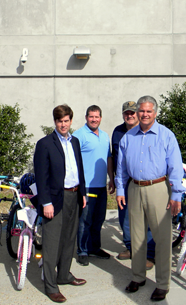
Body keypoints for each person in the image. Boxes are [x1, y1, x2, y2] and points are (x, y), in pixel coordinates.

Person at [115, 96, 185, 301]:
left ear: (155, 112)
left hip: (158, 189)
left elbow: (175, 167)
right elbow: (121, 167)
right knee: (136, 237)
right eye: (141, 111)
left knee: (162, 238)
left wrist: (176, 194)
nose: (144, 115)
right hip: (134, 189)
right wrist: (120, 189)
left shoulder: (166, 136)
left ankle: (162, 283)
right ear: (137, 112)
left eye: (148, 111)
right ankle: (138, 277)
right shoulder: (129, 137)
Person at [34, 104, 87, 303]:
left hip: (74, 196)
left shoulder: (75, 142)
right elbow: (41, 176)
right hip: (55, 198)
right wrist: (46, 202)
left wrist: (82, 192)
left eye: (66, 121)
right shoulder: (45, 144)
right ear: (55, 122)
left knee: (69, 238)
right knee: (52, 243)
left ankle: (64, 275)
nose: (63, 124)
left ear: (71, 121)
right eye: (59, 121)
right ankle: (50, 286)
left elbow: (79, 169)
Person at [112, 101, 155, 270]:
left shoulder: (146, 131)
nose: (129, 116)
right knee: (125, 216)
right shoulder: (117, 132)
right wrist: (113, 179)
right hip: (124, 180)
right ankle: (130, 247)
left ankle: (149, 254)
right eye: (126, 113)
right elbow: (113, 157)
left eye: (132, 113)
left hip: (143, 180)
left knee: (148, 217)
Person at [73, 105, 115, 266]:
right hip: (87, 186)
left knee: (98, 219)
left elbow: (108, 158)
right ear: (86, 117)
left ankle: (94, 248)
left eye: (97, 116)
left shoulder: (105, 136)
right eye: (91, 116)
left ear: (101, 118)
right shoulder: (79, 135)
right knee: (85, 220)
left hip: (101, 185)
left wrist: (111, 178)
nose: (94, 119)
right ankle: (82, 250)